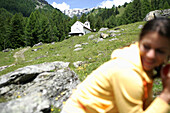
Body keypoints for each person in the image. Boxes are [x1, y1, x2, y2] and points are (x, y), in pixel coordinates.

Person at [61, 18, 170, 113]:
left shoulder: (140, 62)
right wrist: (166, 95)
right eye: (146, 46)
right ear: (140, 41)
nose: (151, 55)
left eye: (160, 51)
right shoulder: (127, 73)